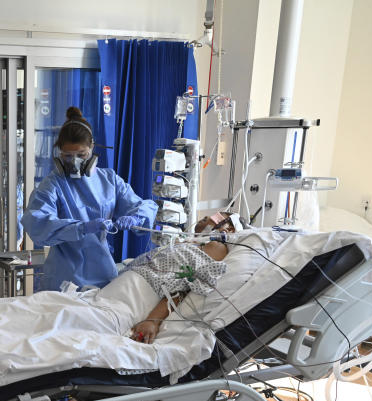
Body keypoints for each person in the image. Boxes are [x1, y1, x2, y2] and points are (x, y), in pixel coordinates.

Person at [22, 107, 158, 291]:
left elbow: (142, 205)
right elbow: (37, 222)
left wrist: (136, 217)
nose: (74, 162)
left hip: (103, 274)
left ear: (92, 148)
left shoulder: (109, 180)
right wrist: (82, 227)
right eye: (67, 156)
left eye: (81, 155)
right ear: (59, 154)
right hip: (64, 277)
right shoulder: (53, 184)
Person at [128, 213, 238, 343]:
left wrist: (153, 320)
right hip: (135, 278)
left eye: (213, 218)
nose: (204, 219)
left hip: (141, 287)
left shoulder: (217, 246)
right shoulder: (194, 243)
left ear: (228, 229)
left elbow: (185, 283)